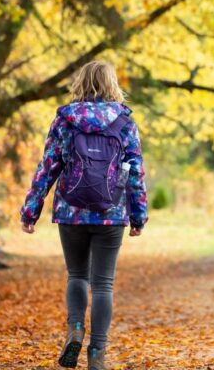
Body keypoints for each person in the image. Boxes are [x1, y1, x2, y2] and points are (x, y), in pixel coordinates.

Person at [19, 60, 148, 370]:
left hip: (70, 210)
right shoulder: (125, 122)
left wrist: (30, 210)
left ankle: (75, 329)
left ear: (80, 82)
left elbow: (48, 167)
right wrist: (138, 216)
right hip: (110, 212)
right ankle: (97, 354)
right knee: (103, 285)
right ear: (112, 84)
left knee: (77, 275)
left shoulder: (65, 120)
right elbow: (135, 174)